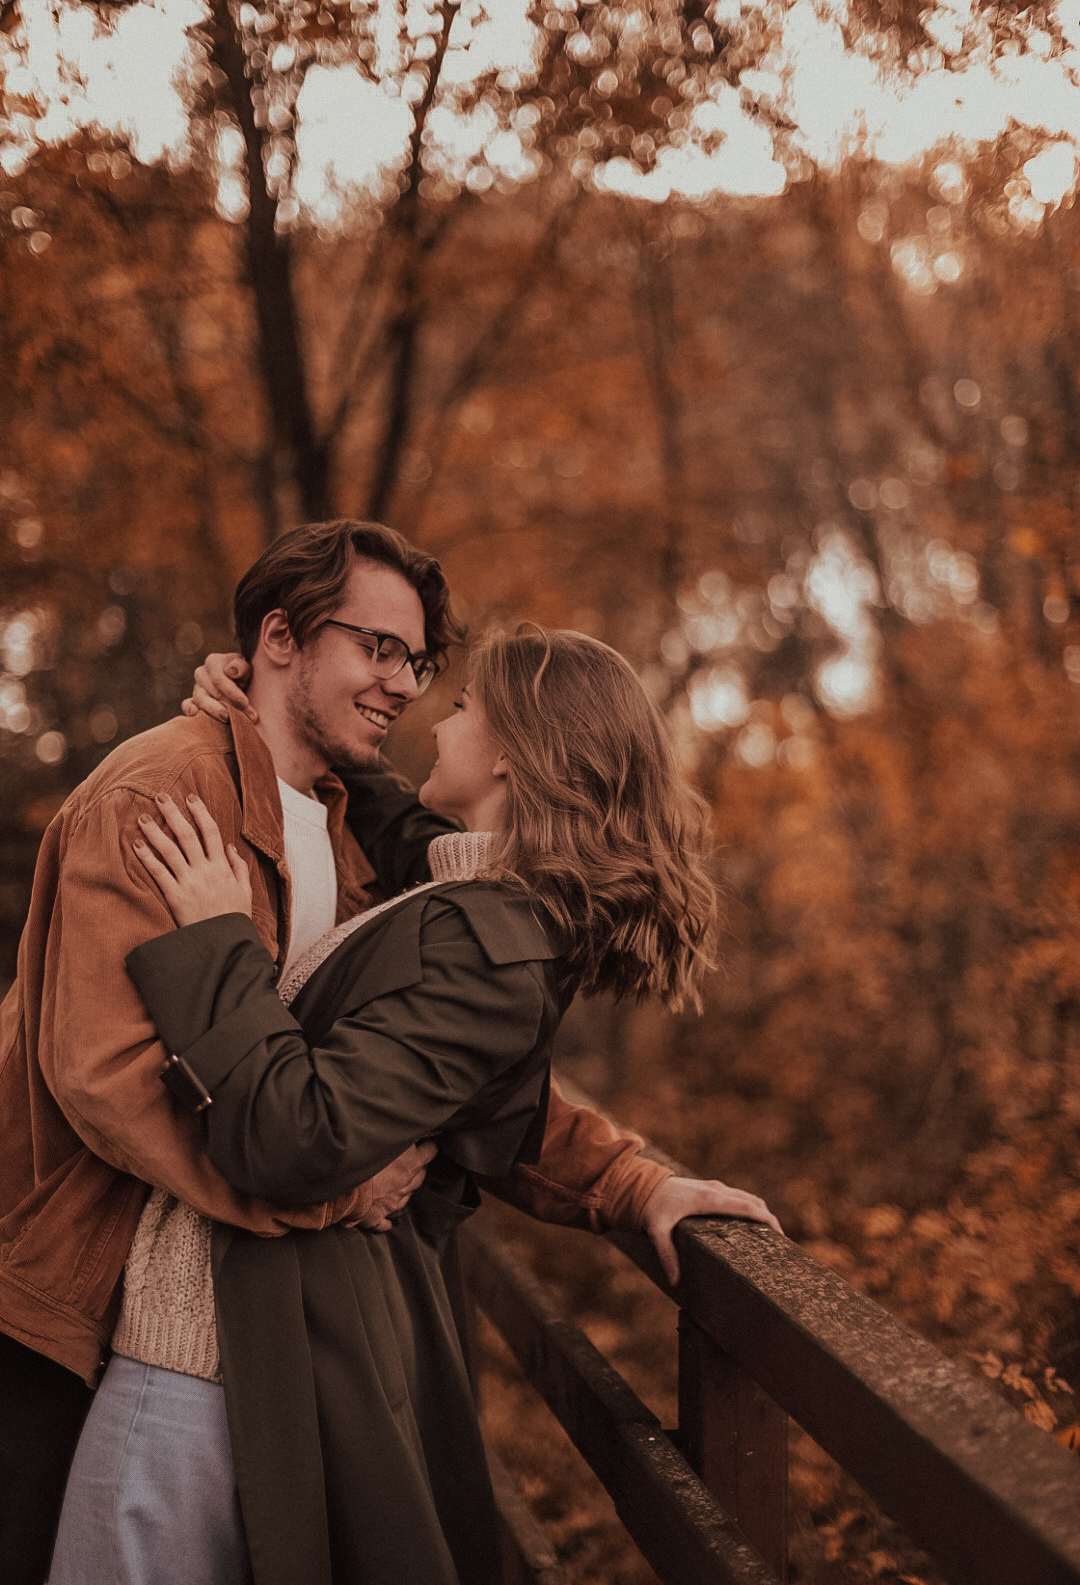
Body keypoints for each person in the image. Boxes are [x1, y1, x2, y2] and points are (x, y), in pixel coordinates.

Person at [0, 519, 771, 1585]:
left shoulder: (360, 838)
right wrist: (320, 1195)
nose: (407, 687)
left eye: (423, 667)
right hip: (67, 1302)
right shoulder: (169, 798)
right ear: (281, 639)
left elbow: (434, 1072)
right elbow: (105, 1079)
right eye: (380, 650)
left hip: (229, 1336)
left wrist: (628, 1179)